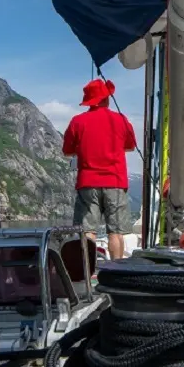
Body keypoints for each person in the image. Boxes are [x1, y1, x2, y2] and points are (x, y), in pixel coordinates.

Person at [62, 78, 136, 259]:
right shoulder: (120, 120)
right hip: (115, 182)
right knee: (116, 232)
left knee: (87, 231)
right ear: (106, 99)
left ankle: (87, 273)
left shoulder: (77, 122)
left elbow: (67, 152)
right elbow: (131, 146)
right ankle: (116, 271)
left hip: (88, 183)